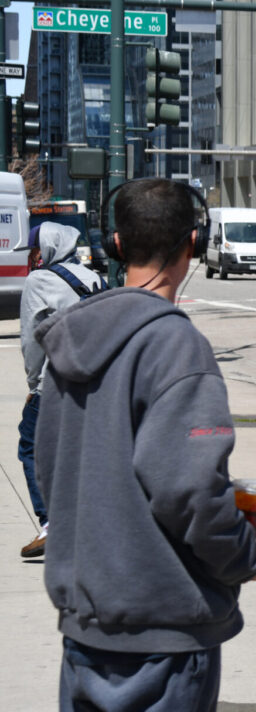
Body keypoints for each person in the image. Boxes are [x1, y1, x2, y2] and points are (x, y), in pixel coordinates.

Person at [35, 179, 256, 711]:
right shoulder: (176, 345)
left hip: (87, 631)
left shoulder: (69, 340)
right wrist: (243, 556)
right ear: (193, 244)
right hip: (163, 636)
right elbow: (189, 489)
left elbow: (52, 472)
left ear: (115, 244)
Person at [17, 222, 103, 559]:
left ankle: (52, 522)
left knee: (30, 446)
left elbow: (32, 340)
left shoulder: (39, 280)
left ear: (49, 247)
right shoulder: (92, 277)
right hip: (93, 381)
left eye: (35, 249)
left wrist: (33, 385)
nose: (33, 256)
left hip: (55, 382)